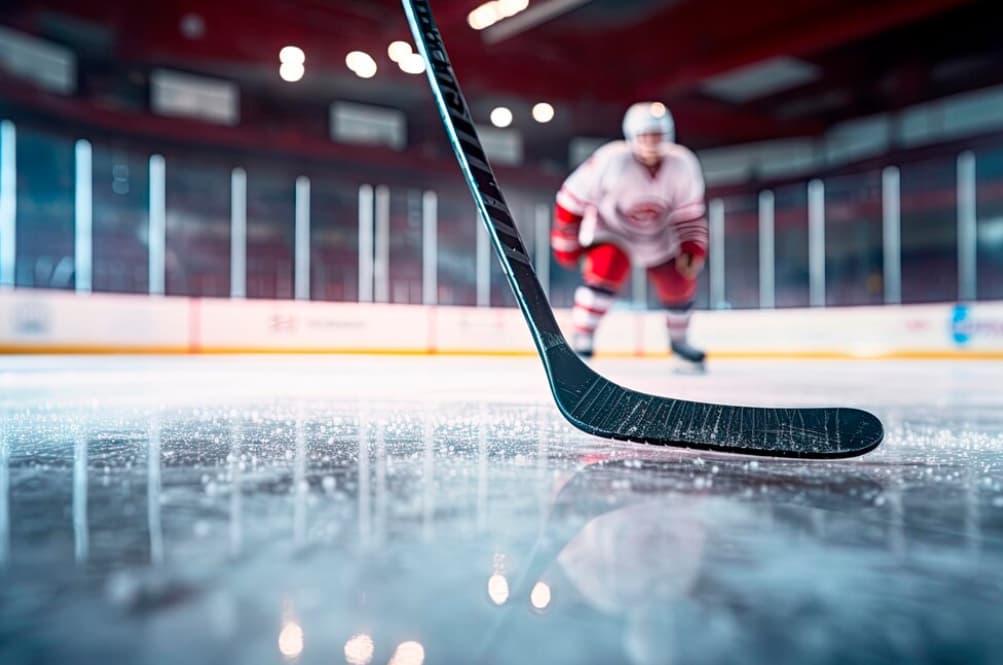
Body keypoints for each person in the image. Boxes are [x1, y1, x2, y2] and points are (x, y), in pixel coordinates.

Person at [551, 101, 708, 369]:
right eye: (645, 135)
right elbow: (571, 199)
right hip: (612, 231)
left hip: (660, 235)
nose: (651, 142)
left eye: (657, 135)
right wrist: (567, 245)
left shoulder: (683, 163)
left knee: (679, 282)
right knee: (606, 268)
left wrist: (692, 248)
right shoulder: (611, 159)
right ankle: (582, 338)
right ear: (631, 135)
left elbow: (689, 213)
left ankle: (680, 342)